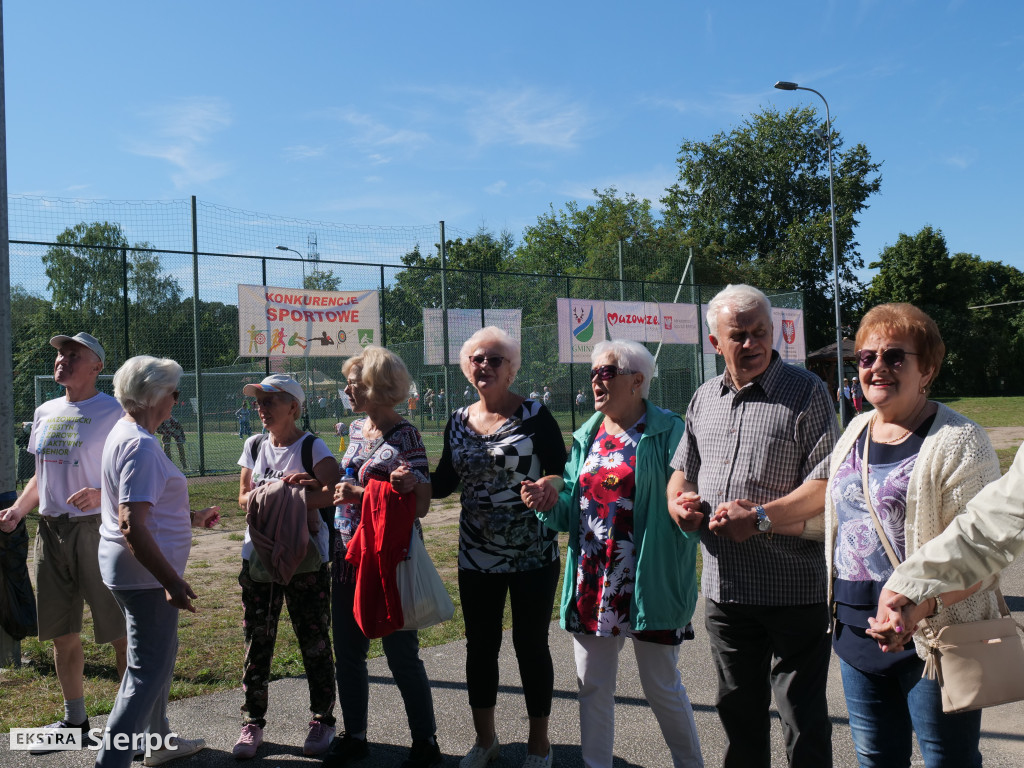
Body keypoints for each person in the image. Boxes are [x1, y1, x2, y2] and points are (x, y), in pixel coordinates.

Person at [666, 284, 839, 768]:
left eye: (760, 332)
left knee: (802, 720)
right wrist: (677, 505)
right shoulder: (704, 397)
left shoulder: (806, 392)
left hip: (793, 588)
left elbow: (826, 484)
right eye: (738, 335)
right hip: (727, 590)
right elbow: (683, 469)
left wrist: (760, 518)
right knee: (737, 714)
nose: (752, 343)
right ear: (714, 343)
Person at [822, 303, 1001, 768]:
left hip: (935, 634)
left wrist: (920, 607)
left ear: (928, 369)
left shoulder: (961, 440)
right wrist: (759, 517)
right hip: (858, 630)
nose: (877, 366)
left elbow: (984, 550)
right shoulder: (857, 429)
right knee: (875, 758)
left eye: (895, 356)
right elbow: (840, 515)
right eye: (866, 357)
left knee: (948, 759)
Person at [523, 340, 703, 768]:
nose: (595, 381)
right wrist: (549, 502)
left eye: (606, 372)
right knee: (593, 685)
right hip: (593, 580)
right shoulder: (588, 434)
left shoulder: (669, 430)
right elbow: (573, 510)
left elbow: (688, 495)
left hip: (650, 580)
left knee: (661, 685)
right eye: (593, 374)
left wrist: (690, 509)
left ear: (637, 381)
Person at [395, 326, 567, 768]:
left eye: (495, 359)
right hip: (476, 554)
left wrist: (549, 485)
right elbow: (446, 483)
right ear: (466, 367)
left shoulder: (534, 415)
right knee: (480, 647)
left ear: (512, 369)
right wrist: (415, 483)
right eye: (477, 359)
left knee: (531, 646)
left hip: (533, 552)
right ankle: (485, 741)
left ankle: (538, 745)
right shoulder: (456, 420)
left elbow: (562, 470)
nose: (484, 366)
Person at [0, 333, 128, 744]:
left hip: (96, 531)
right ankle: (75, 722)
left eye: (74, 355)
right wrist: (19, 510)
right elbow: (41, 475)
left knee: (118, 630)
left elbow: (134, 471)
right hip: (49, 530)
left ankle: (132, 721)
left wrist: (101, 492)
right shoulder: (45, 410)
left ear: (97, 367)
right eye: (60, 354)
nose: (62, 360)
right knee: (61, 632)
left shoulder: (115, 412)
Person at [95, 356, 217, 768]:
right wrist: (171, 581)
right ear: (151, 396)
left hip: (133, 572)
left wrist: (192, 519)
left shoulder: (127, 432)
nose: (176, 402)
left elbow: (140, 511)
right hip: (144, 576)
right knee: (145, 673)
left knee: (157, 658)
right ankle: (111, 760)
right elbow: (131, 525)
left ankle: (159, 740)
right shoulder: (141, 445)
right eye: (174, 393)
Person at [324, 346, 442, 768]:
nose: (347, 391)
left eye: (353, 384)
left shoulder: (406, 436)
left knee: (400, 652)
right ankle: (355, 734)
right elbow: (346, 480)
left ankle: (425, 740)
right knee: (349, 650)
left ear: (376, 387)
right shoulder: (356, 430)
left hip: (387, 557)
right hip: (345, 552)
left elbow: (423, 503)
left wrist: (379, 490)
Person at [233, 374, 340, 759]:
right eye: (259, 402)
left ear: (293, 407)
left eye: (270, 401)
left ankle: (322, 721)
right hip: (258, 558)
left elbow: (334, 492)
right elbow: (244, 496)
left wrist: (299, 492)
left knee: (314, 643)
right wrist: (278, 494)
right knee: (257, 643)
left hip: (306, 561)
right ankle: (252, 723)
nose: (261, 409)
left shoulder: (312, 446)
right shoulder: (255, 444)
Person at [876, 441, 1024, 628]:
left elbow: (993, 532)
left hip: (948, 637)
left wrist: (916, 589)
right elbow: (990, 526)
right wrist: (909, 582)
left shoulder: (965, 441)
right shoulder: (858, 430)